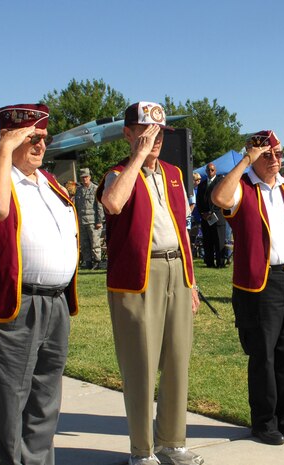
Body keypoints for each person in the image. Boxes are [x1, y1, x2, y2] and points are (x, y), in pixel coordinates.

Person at [0, 104, 79, 465]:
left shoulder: (48, 182)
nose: (39, 145)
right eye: (29, 137)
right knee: (7, 407)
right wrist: (2, 151)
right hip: (9, 308)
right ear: (8, 138)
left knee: (45, 403)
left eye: (43, 138)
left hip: (55, 304)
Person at [97, 101, 202, 465]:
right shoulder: (117, 173)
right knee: (140, 364)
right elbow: (113, 203)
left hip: (176, 270)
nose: (153, 139)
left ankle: (172, 442)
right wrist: (137, 160)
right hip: (139, 278)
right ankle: (142, 451)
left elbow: (182, 229)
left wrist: (192, 280)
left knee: (177, 360)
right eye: (144, 131)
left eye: (158, 132)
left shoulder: (174, 173)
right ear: (128, 133)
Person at [211, 130, 284, 446]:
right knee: (264, 355)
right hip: (261, 283)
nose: (275, 159)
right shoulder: (243, 188)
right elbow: (219, 198)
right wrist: (247, 159)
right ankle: (264, 421)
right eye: (267, 154)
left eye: (279, 153)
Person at [197, 162, 227, 268]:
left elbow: (222, 199)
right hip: (205, 218)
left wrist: (212, 212)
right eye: (208, 170)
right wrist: (202, 213)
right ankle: (209, 262)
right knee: (207, 241)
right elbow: (199, 201)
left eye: (212, 170)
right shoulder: (202, 185)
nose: (210, 172)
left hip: (217, 216)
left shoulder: (221, 182)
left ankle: (220, 262)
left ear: (216, 171)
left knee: (219, 241)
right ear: (206, 171)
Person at [74, 167, 105, 269]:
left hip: (93, 221)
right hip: (82, 221)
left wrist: (99, 221)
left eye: (86, 177)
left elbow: (100, 206)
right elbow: (76, 206)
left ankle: (97, 262)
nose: (84, 179)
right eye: (82, 177)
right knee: (84, 243)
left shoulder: (95, 189)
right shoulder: (78, 191)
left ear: (90, 177)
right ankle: (88, 262)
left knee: (95, 242)